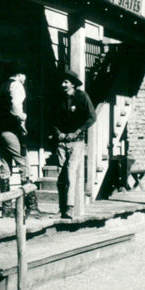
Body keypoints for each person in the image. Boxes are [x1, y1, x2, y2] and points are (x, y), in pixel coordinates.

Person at [0, 62, 39, 218]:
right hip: (12, 131)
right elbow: (16, 105)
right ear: (19, 74)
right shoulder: (16, 86)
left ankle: (6, 208)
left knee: (5, 167)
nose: (25, 79)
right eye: (24, 76)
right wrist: (22, 118)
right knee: (24, 164)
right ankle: (31, 208)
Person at [52, 69, 96, 220]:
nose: (63, 84)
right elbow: (52, 119)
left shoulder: (82, 97)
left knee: (71, 174)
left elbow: (91, 117)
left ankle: (69, 208)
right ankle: (61, 207)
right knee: (60, 176)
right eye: (62, 82)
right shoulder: (58, 98)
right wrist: (59, 133)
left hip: (76, 142)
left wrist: (77, 132)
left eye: (66, 82)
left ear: (73, 84)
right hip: (61, 142)